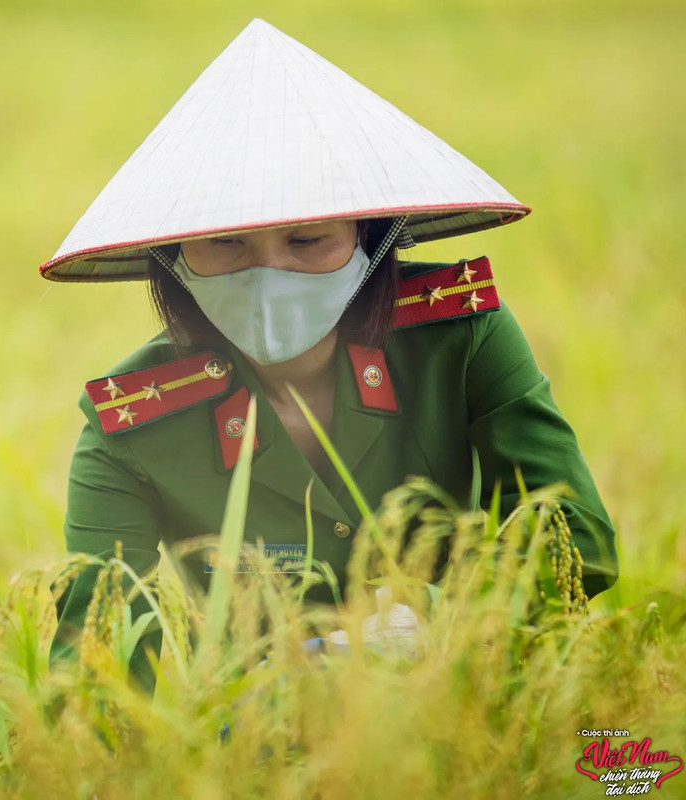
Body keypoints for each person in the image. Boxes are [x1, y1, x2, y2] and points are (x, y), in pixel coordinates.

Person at [41, 19, 618, 690]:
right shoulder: (135, 423)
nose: (268, 274)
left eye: (308, 240)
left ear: (371, 239)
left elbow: (580, 539)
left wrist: (435, 619)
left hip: (463, 702)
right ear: (172, 260)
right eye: (226, 245)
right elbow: (96, 666)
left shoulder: (459, 338)